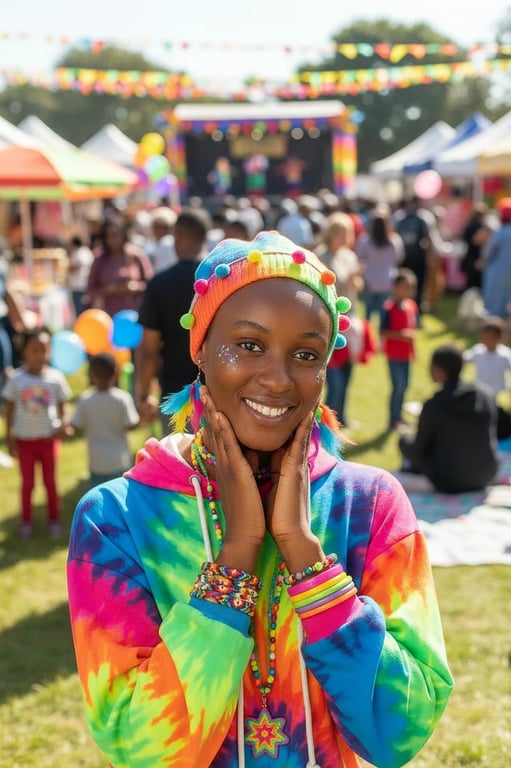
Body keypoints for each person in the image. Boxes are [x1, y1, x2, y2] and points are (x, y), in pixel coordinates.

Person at [68, 231, 453, 768]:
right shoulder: (117, 520)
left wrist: (308, 560)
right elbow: (140, 750)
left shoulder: (371, 507)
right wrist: (235, 561)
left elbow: (398, 733)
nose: (277, 379)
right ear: (199, 347)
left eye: (305, 353)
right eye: (249, 345)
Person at [135, 208, 209, 435]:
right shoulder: (220, 280)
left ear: (177, 236)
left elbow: (149, 349)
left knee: (179, 465)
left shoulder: (160, 284)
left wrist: (143, 392)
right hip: (220, 391)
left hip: (176, 395)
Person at [398, 343, 498, 493]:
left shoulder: (435, 405)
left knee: (405, 441)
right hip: (485, 475)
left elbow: (420, 447)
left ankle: (412, 470)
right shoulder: (484, 395)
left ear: (438, 370)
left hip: (450, 481)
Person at [3, 327, 71, 538]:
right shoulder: (16, 380)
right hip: (25, 442)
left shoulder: (55, 378)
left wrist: (64, 423)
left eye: (44, 350)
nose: (40, 355)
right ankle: (26, 522)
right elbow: (10, 409)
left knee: (50, 482)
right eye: (34, 350)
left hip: (49, 440)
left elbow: (63, 404)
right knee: (28, 484)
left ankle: (54, 520)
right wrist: (9, 437)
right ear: (24, 352)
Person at [69, 352, 140, 488]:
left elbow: (75, 424)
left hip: (97, 463)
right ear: (115, 373)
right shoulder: (122, 398)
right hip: (120, 461)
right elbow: (131, 424)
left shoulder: (85, 400)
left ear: (92, 375)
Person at [86, 216, 153, 316]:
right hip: (108, 317)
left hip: (135, 315)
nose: (112, 240)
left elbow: (151, 285)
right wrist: (107, 290)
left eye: (115, 235)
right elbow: (90, 292)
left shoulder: (136, 255)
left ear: (123, 234)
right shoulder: (100, 260)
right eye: (109, 236)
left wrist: (136, 287)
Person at [380, 269, 419, 430]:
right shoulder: (388, 308)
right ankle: (393, 419)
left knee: (405, 386)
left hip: (407, 355)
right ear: (395, 287)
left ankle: (399, 416)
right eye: (404, 287)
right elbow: (383, 331)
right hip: (394, 355)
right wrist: (402, 335)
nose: (408, 291)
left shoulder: (412, 306)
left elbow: (413, 326)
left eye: (410, 288)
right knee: (398, 386)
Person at [463, 316, 511, 440]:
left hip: (497, 391)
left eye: (490, 338)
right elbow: (464, 359)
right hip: (480, 390)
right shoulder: (478, 351)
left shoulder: (505, 355)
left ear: (499, 339)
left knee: (494, 415)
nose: (486, 341)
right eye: (484, 337)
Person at [356, 205, 404, 324]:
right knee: (384, 316)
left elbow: (359, 257)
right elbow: (399, 258)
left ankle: (367, 339)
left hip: (370, 280)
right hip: (387, 280)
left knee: (367, 314)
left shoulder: (365, 240)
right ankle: (381, 339)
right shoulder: (394, 241)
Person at [394, 196, 433, 309]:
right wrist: (430, 256)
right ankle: (416, 309)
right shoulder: (422, 219)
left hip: (405, 258)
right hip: (418, 258)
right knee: (418, 285)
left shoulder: (400, 218)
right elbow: (428, 238)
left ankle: (405, 308)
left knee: (403, 284)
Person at [481, 197, 511, 318]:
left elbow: (488, 252)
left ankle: (494, 324)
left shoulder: (499, 232)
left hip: (498, 269)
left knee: (495, 298)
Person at [66, 236, 94, 317]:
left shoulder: (77, 253)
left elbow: (73, 267)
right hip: (86, 285)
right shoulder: (87, 252)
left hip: (78, 286)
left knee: (80, 310)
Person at [151, 207, 177, 274]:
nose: (154, 231)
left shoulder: (166, 243)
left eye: (157, 227)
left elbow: (162, 267)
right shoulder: (168, 241)